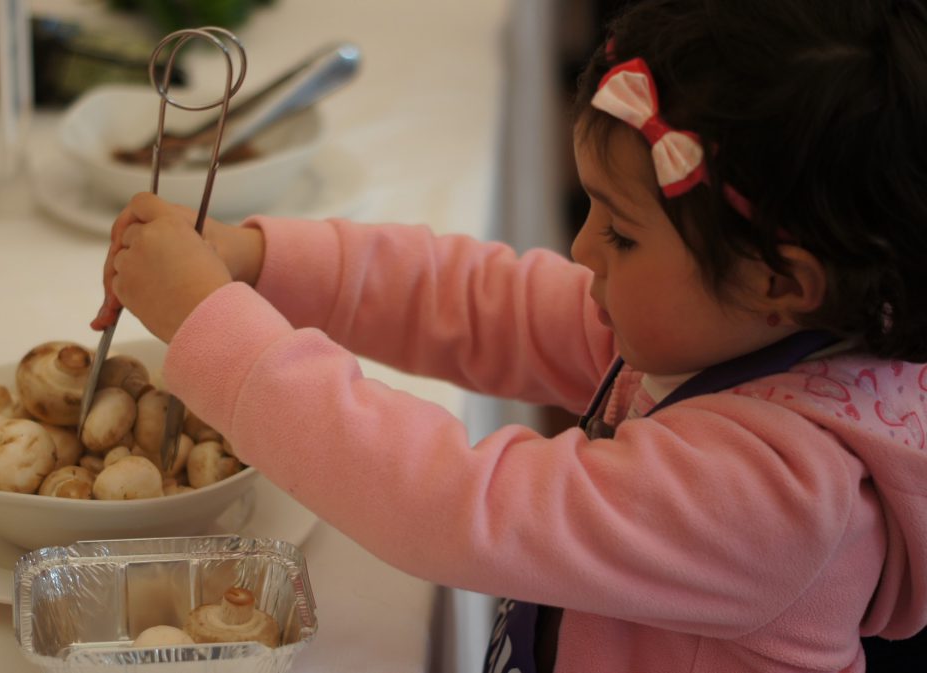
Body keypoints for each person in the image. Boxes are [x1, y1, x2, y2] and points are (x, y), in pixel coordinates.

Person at [91, 0, 927, 670]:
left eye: (623, 232)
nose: (581, 247)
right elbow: (480, 301)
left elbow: (455, 505)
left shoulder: (779, 499)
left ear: (779, 279)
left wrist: (215, 329)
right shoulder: (718, 329)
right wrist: (261, 262)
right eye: (588, 204)